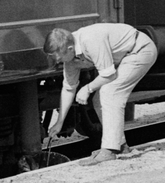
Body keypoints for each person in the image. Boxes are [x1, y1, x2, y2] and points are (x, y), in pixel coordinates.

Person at [43, 23, 157, 165]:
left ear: (70, 49)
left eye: (59, 58)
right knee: (98, 99)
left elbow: (109, 75)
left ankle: (109, 150)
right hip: (122, 56)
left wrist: (87, 88)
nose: (58, 62)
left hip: (139, 50)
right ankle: (120, 145)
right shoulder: (70, 56)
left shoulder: (91, 41)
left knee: (110, 92)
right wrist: (59, 122)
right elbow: (68, 88)